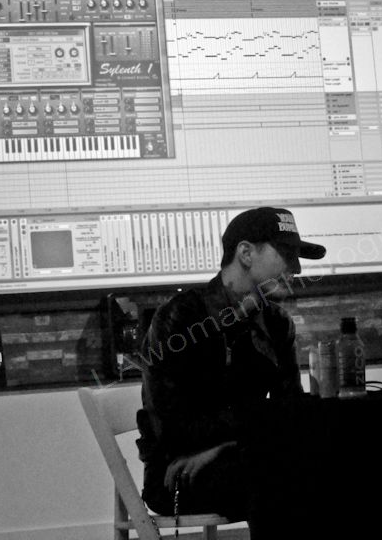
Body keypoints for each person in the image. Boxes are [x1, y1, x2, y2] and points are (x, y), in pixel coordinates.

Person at [135, 206, 325, 529]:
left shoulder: (277, 323)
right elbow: (172, 430)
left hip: (244, 455)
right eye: (286, 254)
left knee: (327, 463)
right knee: (281, 476)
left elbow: (290, 413)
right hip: (177, 472)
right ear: (246, 253)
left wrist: (230, 445)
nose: (296, 268)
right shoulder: (180, 318)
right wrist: (251, 432)